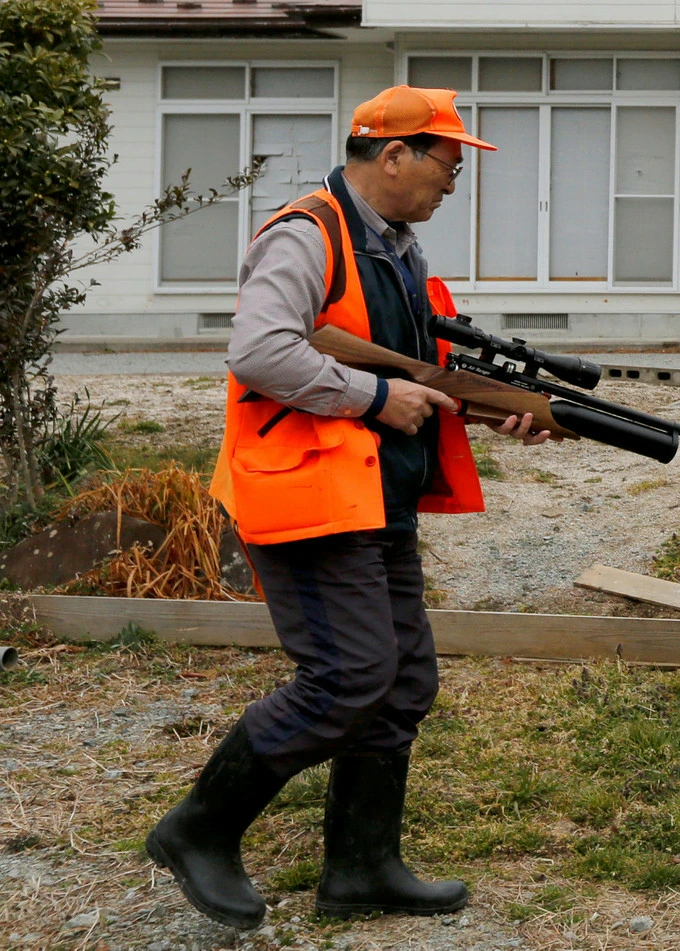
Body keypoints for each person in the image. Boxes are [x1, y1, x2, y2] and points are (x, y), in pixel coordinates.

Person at [144, 87, 549, 930]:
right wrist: (370, 397)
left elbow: (419, 374)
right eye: (446, 162)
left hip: (372, 494)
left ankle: (361, 869)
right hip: (309, 496)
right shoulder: (306, 233)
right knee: (349, 675)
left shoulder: (395, 248)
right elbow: (259, 351)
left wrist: (495, 405)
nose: (454, 181)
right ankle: (197, 828)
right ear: (393, 154)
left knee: (401, 681)